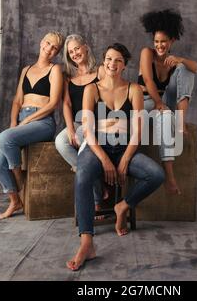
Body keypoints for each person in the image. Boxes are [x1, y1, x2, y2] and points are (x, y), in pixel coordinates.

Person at [66, 43, 165, 271]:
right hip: (97, 146)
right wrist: (104, 159)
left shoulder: (133, 90)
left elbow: (138, 131)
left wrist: (125, 158)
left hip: (124, 147)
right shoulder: (93, 89)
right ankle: (87, 243)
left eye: (118, 60)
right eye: (109, 59)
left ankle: (123, 206)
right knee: (82, 176)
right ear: (103, 61)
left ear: (124, 65)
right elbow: (88, 131)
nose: (112, 64)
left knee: (155, 174)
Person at [0, 32, 64, 220]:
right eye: (48, 43)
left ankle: (20, 181)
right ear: (41, 42)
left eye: (54, 47)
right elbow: (17, 101)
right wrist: (14, 123)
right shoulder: (26, 70)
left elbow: (53, 103)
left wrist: (27, 121)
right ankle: (15, 200)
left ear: (57, 52)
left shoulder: (55, 70)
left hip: (42, 122)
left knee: (4, 138)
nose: (49, 48)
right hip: (23, 119)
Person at [138, 9, 197, 195]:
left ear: (172, 41)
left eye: (163, 41)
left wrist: (180, 59)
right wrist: (159, 102)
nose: (159, 45)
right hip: (148, 102)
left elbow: (196, 68)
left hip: (166, 102)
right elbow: (148, 81)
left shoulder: (173, 61)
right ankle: (170, 177)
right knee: (164, 117)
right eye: (156, 41)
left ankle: (180, 121)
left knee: (185, 68)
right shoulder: (147, 53)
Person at [54, 34, 108, 217]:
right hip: (77, 122)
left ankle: (97, 201)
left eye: (77, 48)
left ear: (85, 47)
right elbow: (67, 104)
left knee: (85, 138)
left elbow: (110, 95)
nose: (75, 53)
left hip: (98, 122)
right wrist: (69, 128)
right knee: (61, 141)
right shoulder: (68, 77)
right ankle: (98, 182)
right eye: (70, 52)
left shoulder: (100, 71)